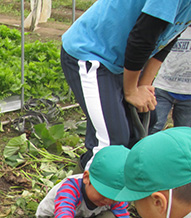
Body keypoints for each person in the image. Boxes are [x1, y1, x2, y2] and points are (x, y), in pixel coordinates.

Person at [60, 0, 191, 170]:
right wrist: (131, 91)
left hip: (121, 61)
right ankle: (77, 194)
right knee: (111, 143)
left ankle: (111, 190)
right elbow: (143, 36)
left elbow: (169, 37)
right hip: (92, 54)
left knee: (140, 129)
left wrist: (143, 85)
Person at [149, 27, 191, 135]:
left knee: (184, 134)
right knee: (152, 128)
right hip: (162, 87)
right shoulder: (175, 26)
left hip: (188, 93)